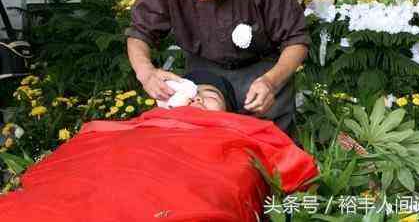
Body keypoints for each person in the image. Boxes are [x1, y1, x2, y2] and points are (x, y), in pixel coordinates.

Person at [0, 70, 318, 222]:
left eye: (209, 96)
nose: (196, 99)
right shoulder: (130, 126)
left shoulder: (240, 129)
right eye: (187, 94)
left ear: (228, 110)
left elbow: (292, 165)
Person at [126, 0, 309, 133]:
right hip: (204, 72)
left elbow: (296, 40)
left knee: (270, 142)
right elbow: (139, 33)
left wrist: (271, 82)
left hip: (262, 68)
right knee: (203, 141)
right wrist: (146, 72)